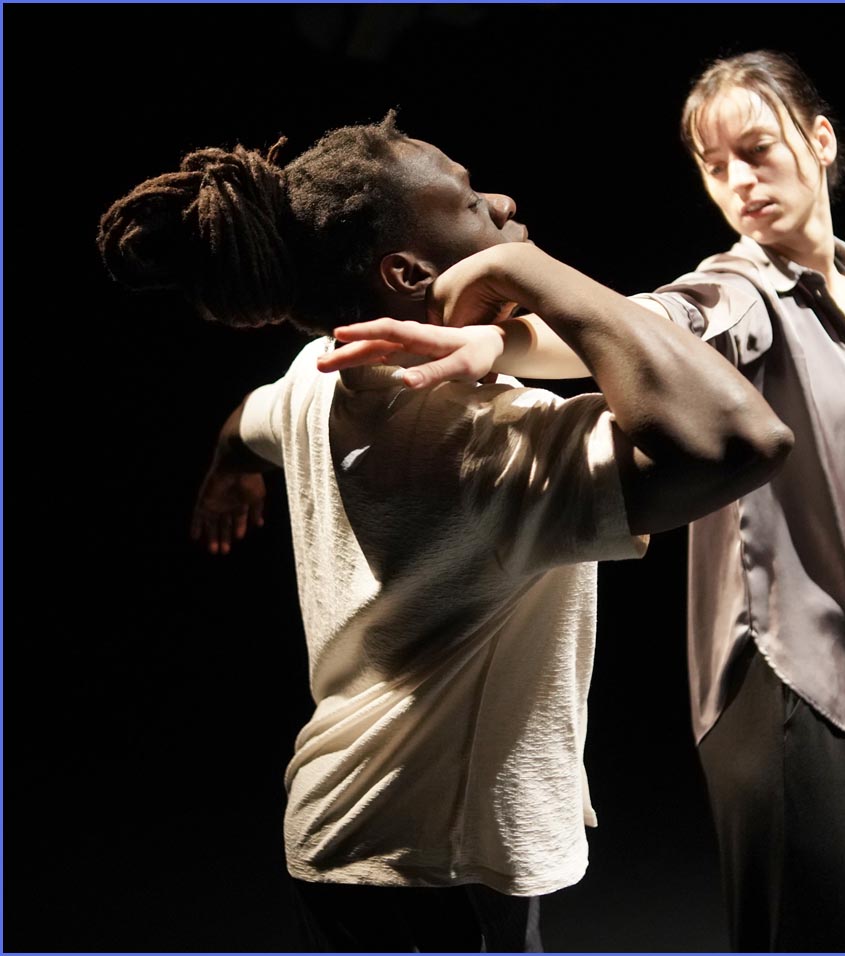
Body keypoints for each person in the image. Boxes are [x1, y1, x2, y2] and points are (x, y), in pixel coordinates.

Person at [334, 54, 845, 952]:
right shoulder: (743, 290)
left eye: (756, 151)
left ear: (821, 141)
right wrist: (502, 346)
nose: (738, 182)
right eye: (714, 167)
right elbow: (653, 321)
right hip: (789, 681)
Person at [95, 114, 792, 952]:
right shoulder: (489, 442)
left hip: (341, 834)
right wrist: (531, 272)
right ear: (407, 271)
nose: (502, 204)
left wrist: (228, 468)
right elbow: (746, 438)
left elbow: (249, 420)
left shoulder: (324, 371)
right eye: (469, 202)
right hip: (442, 865)